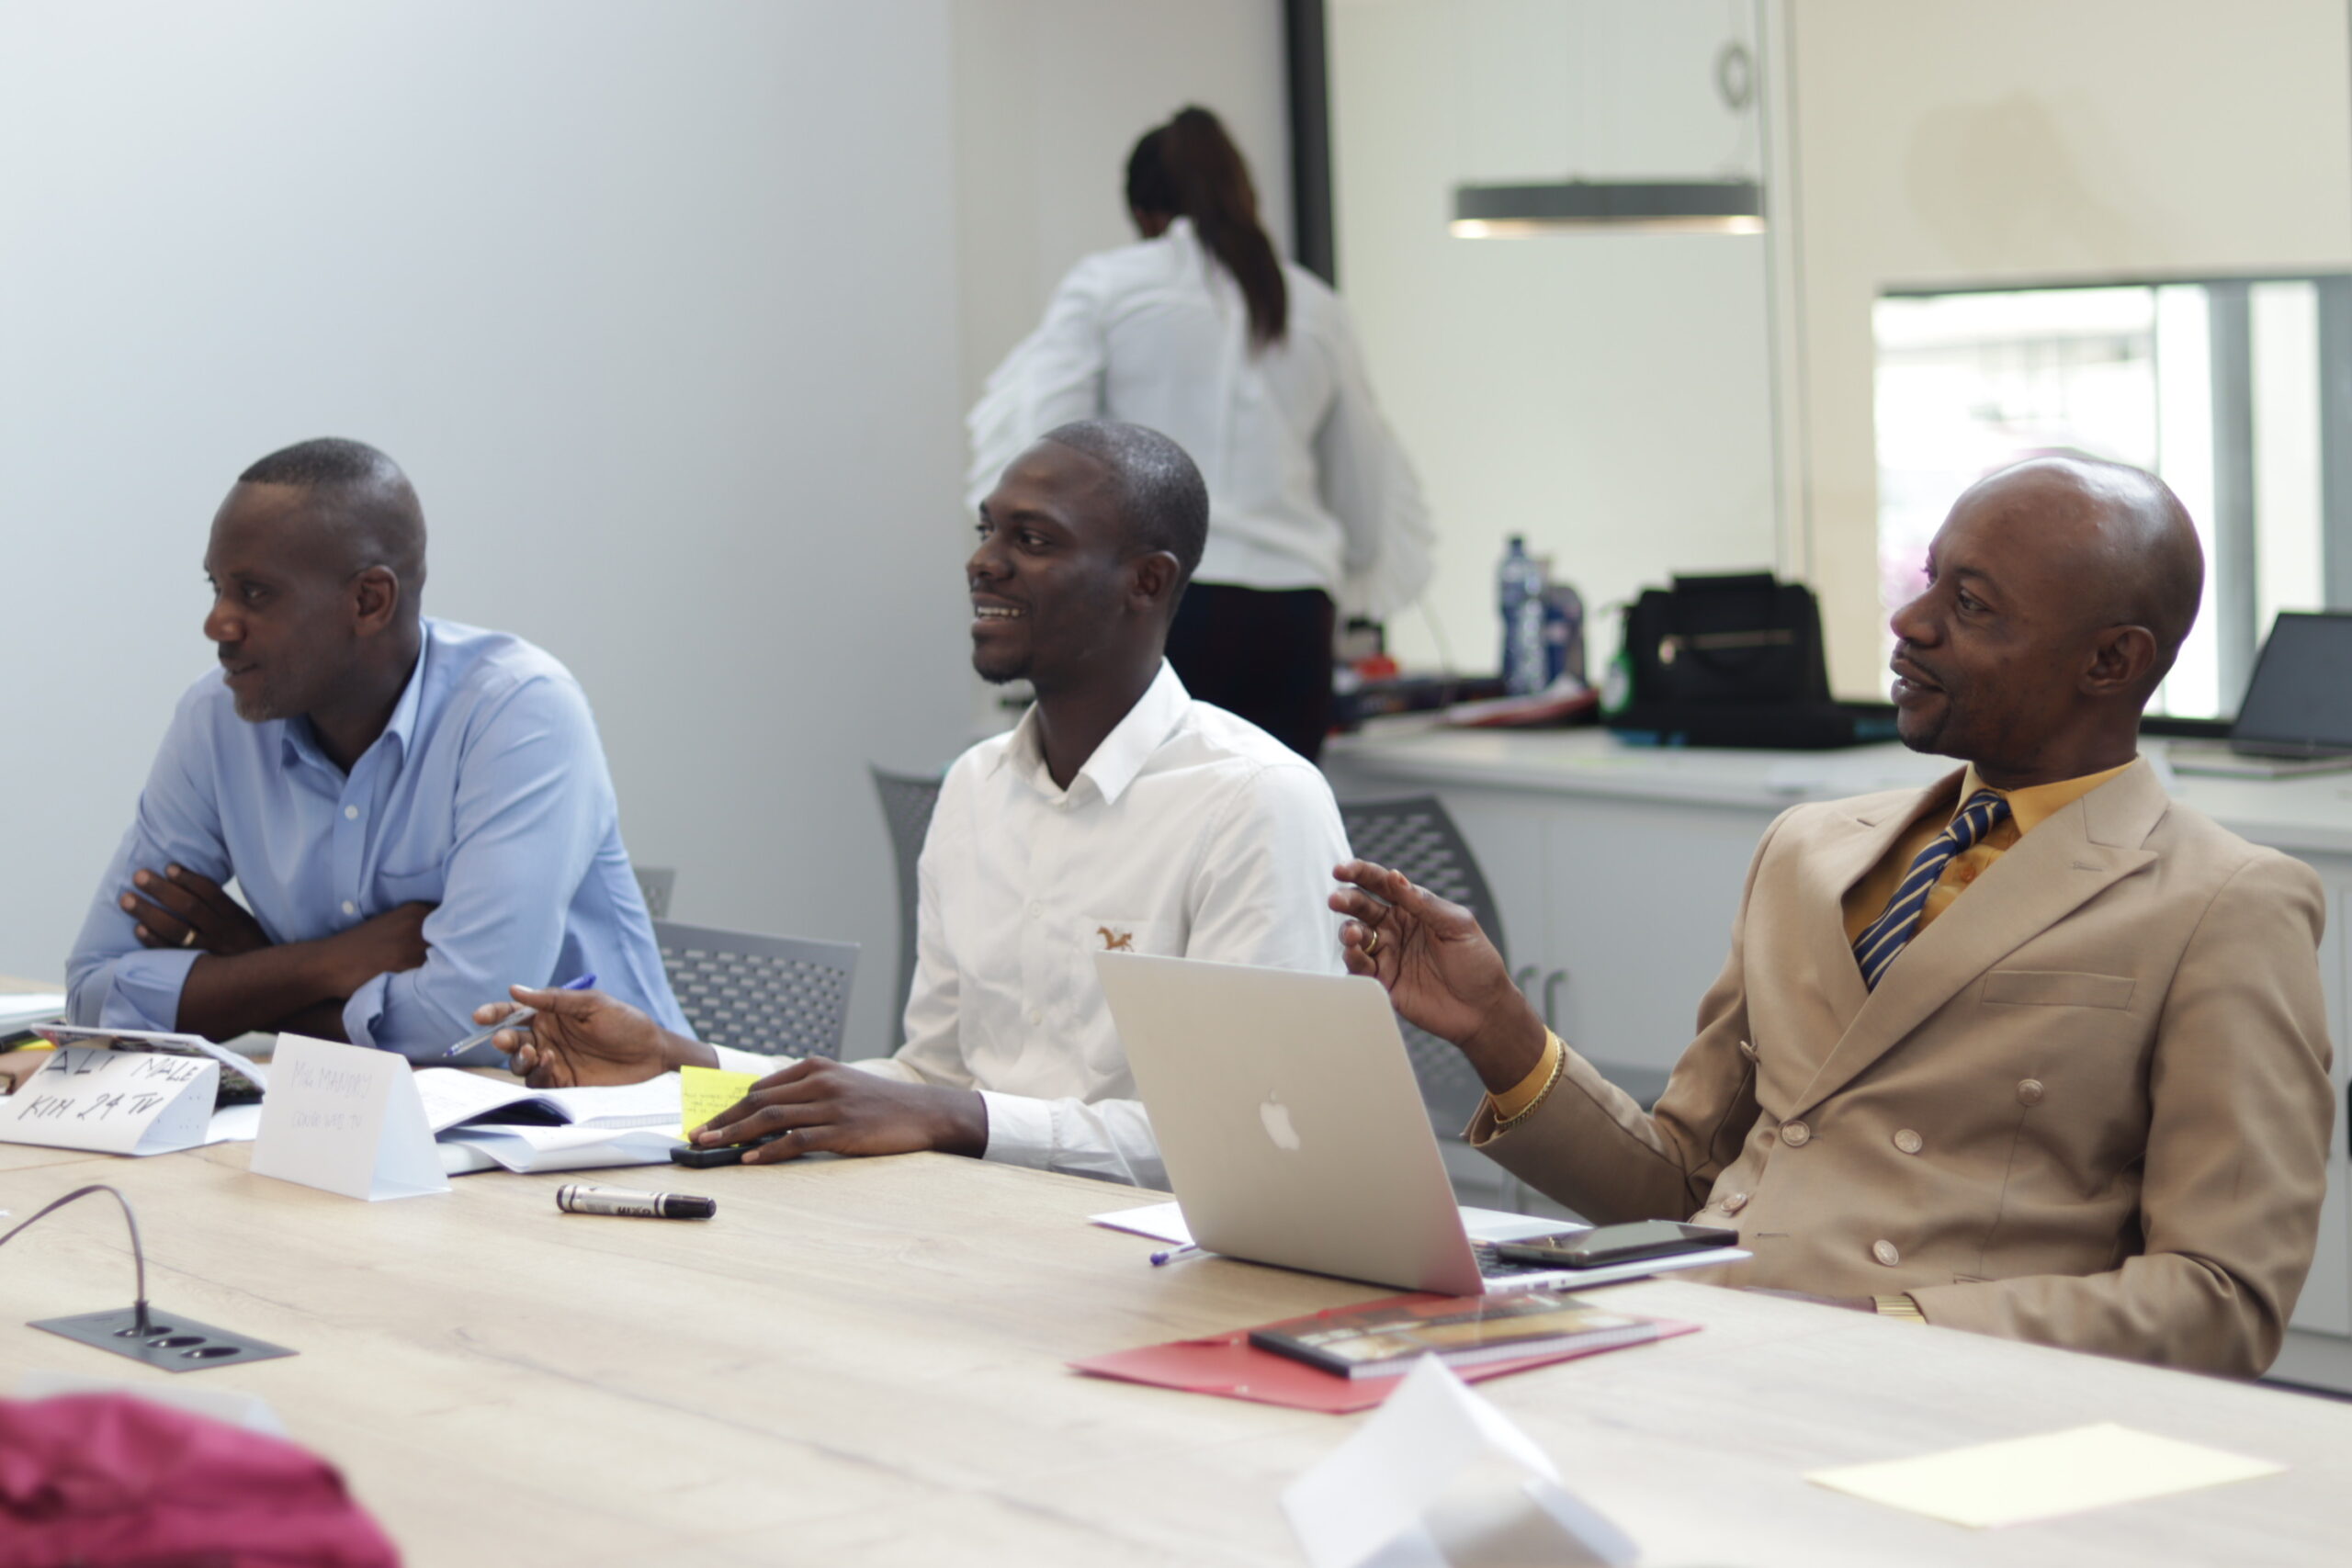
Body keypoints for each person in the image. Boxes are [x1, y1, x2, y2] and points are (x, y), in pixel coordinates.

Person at [1330, 457, 2334, 1377]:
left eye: (1970, 604)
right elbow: (1684, 1189)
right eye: (1930, 579)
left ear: (2110, 661)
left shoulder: (2224, 902)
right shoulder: (1807, 848)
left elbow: (2221, 1300)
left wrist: (1883, 1324)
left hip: (1938, 1396)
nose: (1911, 620)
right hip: (1704, 1347)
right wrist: (1498, 1028)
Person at [480, 421, 1352, 1189]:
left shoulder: (1252, 802)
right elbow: (927, 1078)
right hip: (972, 1225)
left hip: (1168, 1264)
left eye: (1032, 539)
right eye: (986, 530)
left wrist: (957, 1116)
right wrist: (674, 1064)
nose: (983, 561)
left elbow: (1253, 1138)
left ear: (1147, 582)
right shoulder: (975, 786)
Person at [66, 438, 686, 1061]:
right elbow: (93, 993)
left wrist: (251, 970)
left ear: (369, 601)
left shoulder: (521, 710)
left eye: (254, 593)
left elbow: (468, 1028)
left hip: (599, 1108)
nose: (217, 624)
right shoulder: (217, 717)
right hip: (359, 1107)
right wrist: (319, 964)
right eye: (216, 587)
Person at [966, 105, 1433, 762]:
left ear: (1143, 214)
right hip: (1293, 618)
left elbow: (1044, 460)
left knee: (1135, 820)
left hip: (1155, 607)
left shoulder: (1108, 288)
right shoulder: (1317, 308)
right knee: (1272, 817)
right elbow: (1365, 511)